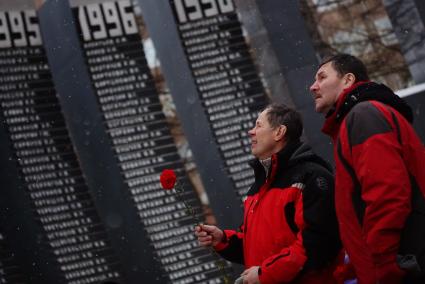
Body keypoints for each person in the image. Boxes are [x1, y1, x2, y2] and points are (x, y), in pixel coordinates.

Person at [310, 53, 425, 284]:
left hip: (404, 266)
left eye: (322, 77)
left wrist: (382, 263)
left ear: (348, 80)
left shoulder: (363, 116)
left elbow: (387, 194)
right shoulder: (359, 117)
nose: (313, 87)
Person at [195, 104, 341, 284]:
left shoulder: (312, 177)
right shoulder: (258, 186)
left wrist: (266, 275)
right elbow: (258, 246)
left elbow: (318, 244)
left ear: (279, 132)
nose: (251, 131)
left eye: (258, 125)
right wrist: (222, 239)